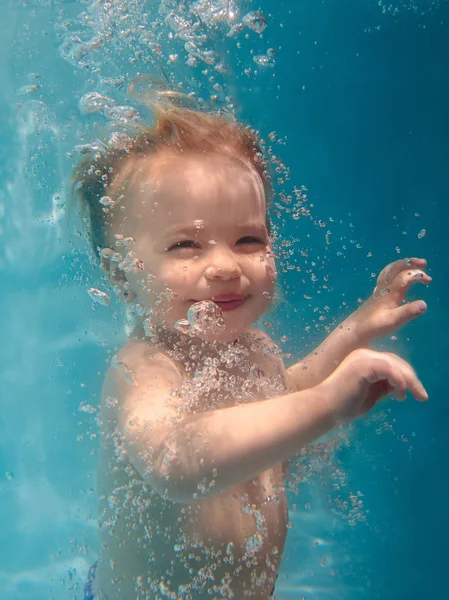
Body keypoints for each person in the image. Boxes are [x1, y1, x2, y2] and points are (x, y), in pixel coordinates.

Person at [72, 98, 431, 600]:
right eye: (185, 246)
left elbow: (284, 399)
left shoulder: (257, 347)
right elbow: (173, 462)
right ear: (120, 272)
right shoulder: (145, 368)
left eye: (247, 239)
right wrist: (328, 403)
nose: (224, 266)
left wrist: (355, 330)